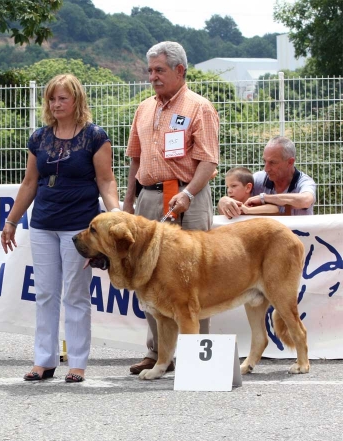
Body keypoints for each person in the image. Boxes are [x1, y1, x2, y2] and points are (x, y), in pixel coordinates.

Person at [0, 74, 120, 383]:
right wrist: (12, 221)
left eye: (62, 98)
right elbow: (30, 183)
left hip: (79, 228)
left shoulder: (95, 136)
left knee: (76, 295)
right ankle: (44, 360)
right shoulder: (39, 137)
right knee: (45, 294)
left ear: (77, 100)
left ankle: (77, 363)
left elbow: (106, 181)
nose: (56, 104)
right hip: (42, 225)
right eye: (52, 99)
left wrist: (117, 216)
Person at [122, 41, 220, 376]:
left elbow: (208, 163)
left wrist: (189, 194)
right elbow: (134, 159)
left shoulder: (199, 107)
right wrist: (127, 202)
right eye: (150, 70)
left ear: (180, 70)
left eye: (159, 70)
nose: (152, 77)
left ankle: (196, 357)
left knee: (194, 278)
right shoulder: (143, 108)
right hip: (148, 198)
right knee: (147, 277)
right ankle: (157, 354)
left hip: (187, 198)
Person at [218, 136, 316, 219]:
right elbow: (236, 196)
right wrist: (224, 201)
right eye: (265, 161)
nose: (266, 168)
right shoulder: (258, 179)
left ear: (290, 162)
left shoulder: (305, 182)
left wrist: (263, 198)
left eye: (272, 162)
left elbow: (305, 200)